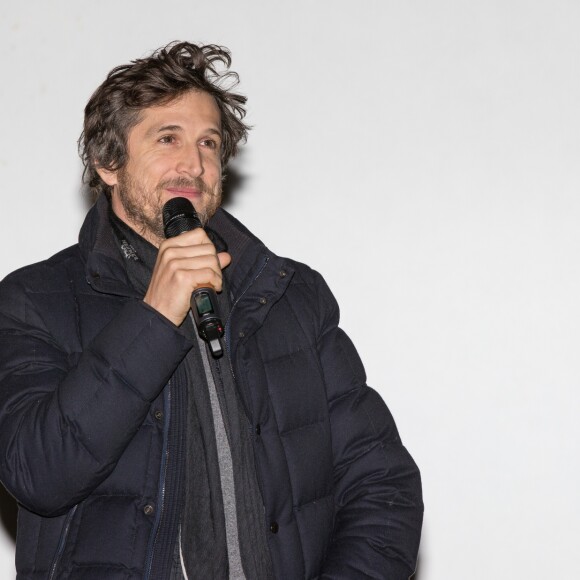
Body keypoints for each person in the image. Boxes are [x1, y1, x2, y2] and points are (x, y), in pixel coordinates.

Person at [0, 41, 423, 579]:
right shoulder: (33, 300)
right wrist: (152, 318)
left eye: (209, 143)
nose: (194, 163)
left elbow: (381, 481)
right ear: (108, 162)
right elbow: (37, 473)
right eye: (167, 138)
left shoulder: (287, 294)